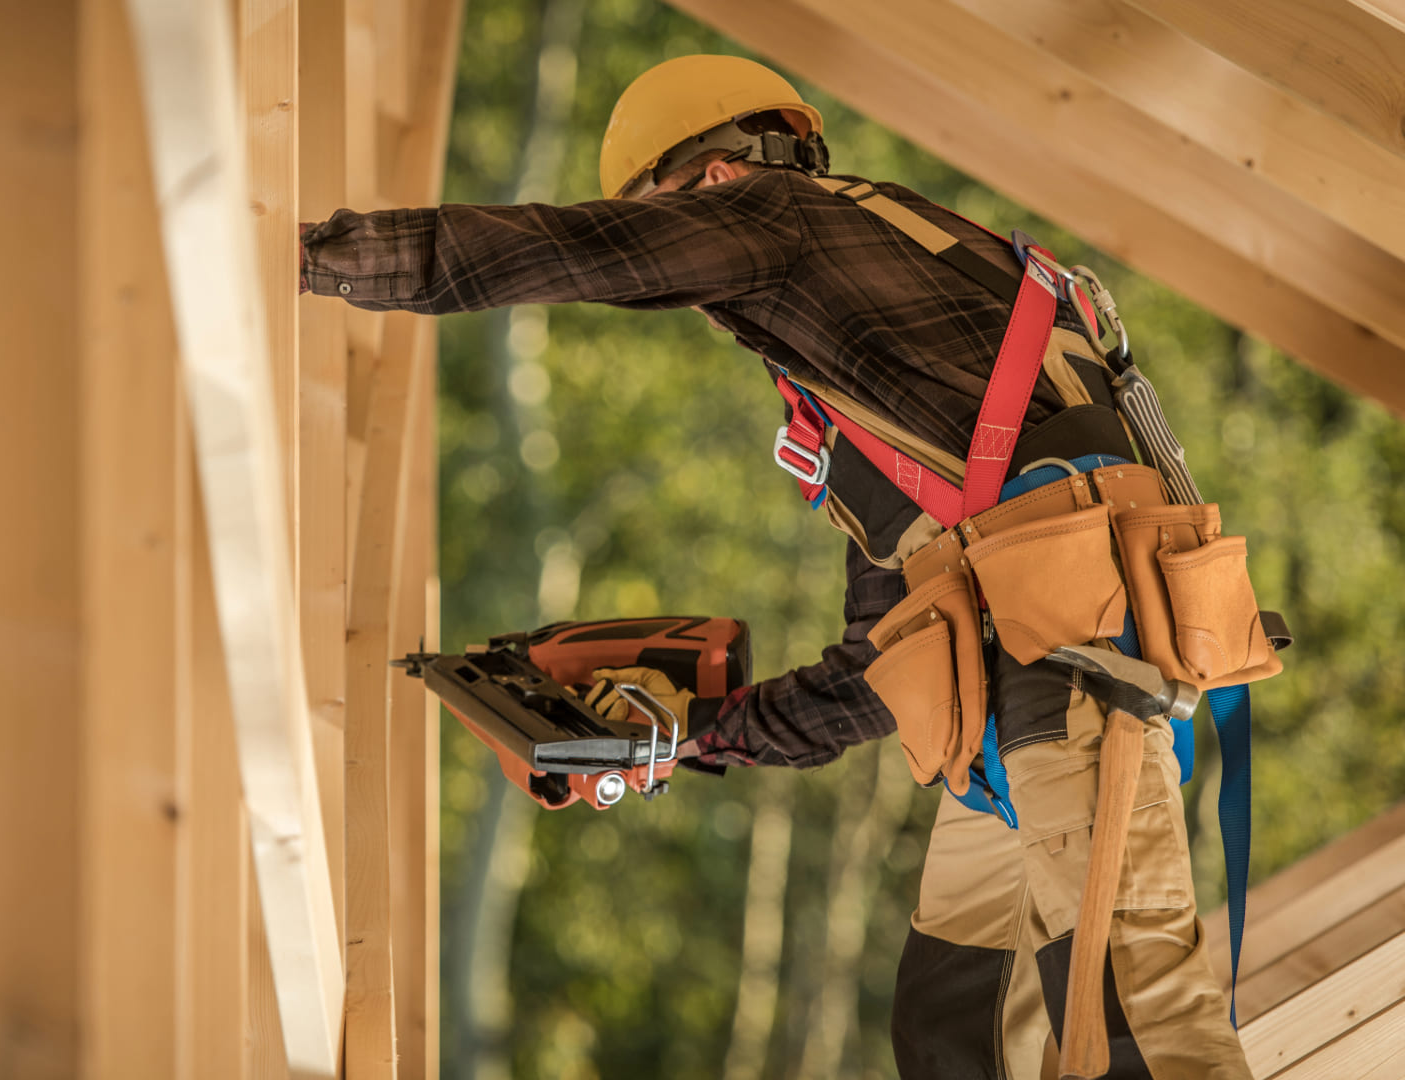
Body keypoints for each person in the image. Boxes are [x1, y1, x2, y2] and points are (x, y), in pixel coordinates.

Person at [302, 53, 1263, 1079]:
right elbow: (869, 678)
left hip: (1070, 682)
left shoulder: (781, 220)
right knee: (951, 1034)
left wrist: (311, 257)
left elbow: (563, 251)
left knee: (1141, 1026)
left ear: (716, 176)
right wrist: (681, 740)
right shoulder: (895, 373)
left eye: (664, 225)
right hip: (1017, 706)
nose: (691, 293)